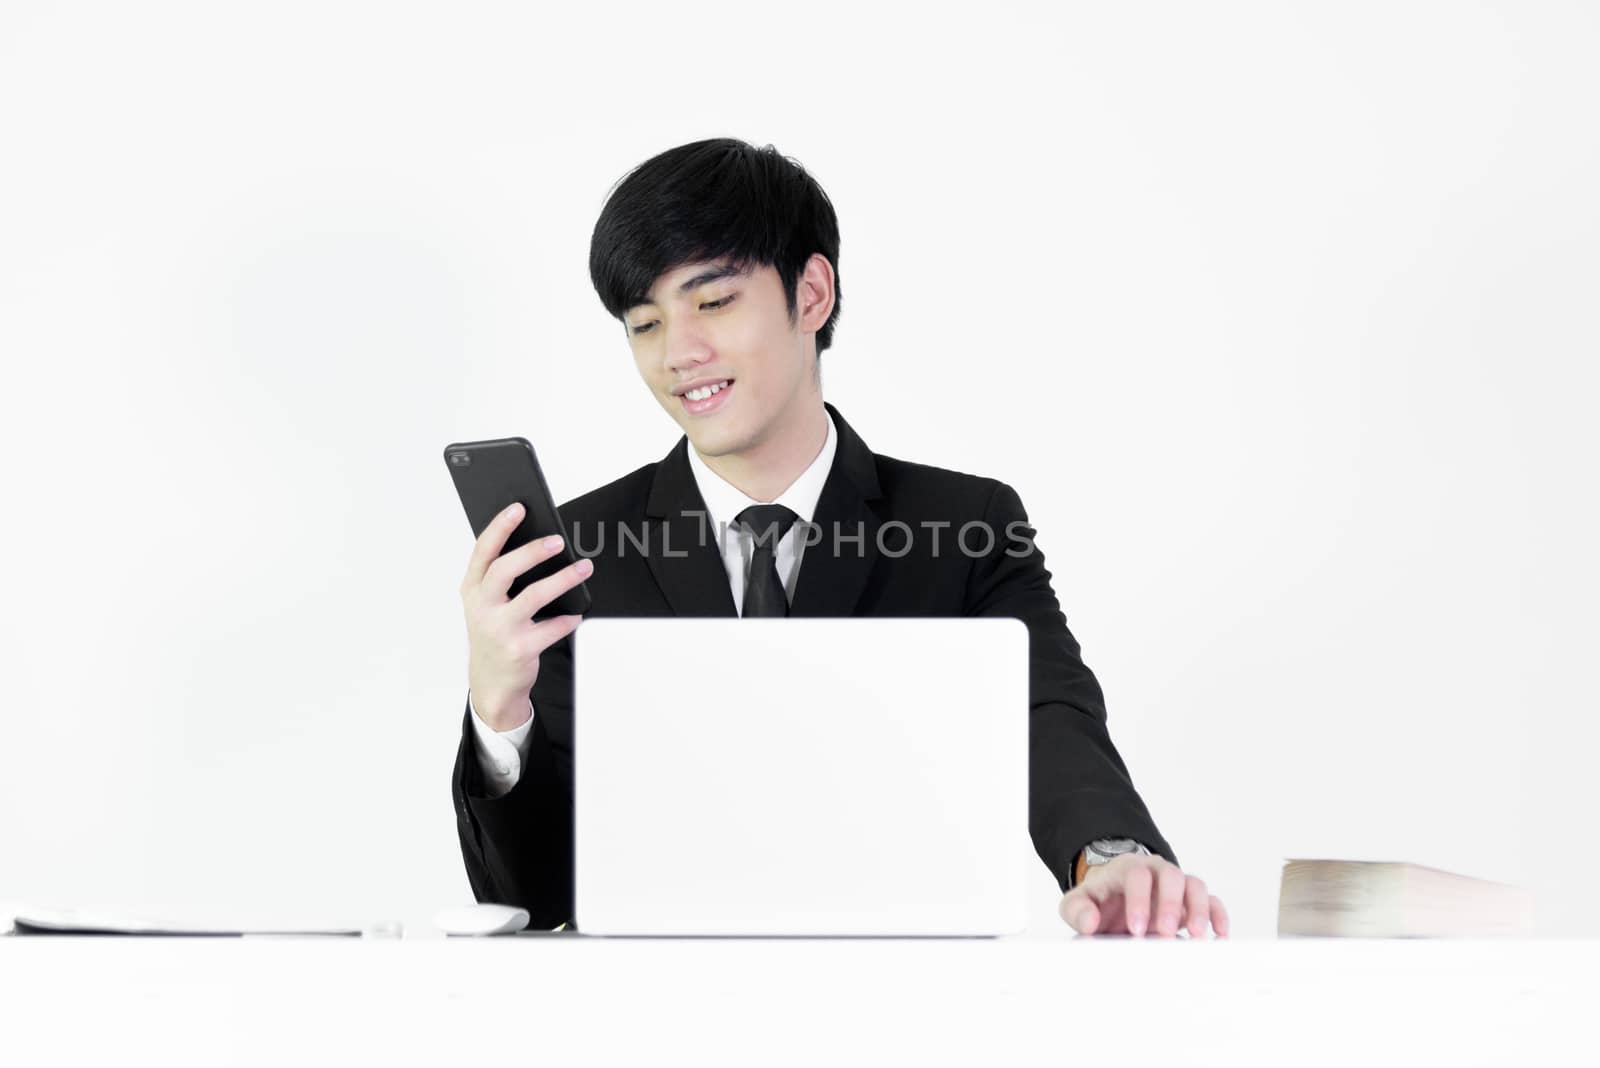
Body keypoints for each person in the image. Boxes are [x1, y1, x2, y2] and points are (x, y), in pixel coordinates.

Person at [451, 137, 1229, 939]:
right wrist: (499, 706)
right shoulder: (581, 550)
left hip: (908, 996)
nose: (678, 353)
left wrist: (1111, 855)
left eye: (713, 303)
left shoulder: (962, 527)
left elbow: (1047, 712)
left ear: (811, 294)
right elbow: (532, 900)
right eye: (644, 323)